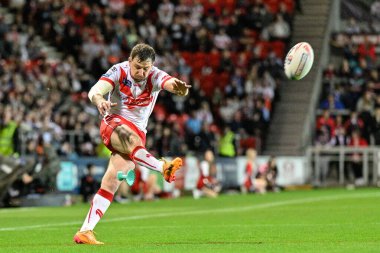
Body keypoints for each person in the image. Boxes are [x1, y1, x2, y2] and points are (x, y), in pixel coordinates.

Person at [73, 43, 191, 245]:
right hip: (113, 123)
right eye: (138, 66)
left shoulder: (154, 75)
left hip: (138, 133)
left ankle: (85, 231)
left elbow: (169, 82)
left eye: (146, 68)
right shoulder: (119, 71)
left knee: (111, 182)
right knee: (131, 140)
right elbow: (95, 90)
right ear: (130, 61)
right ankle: (162, 166)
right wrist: (100, 100)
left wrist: (178, 88)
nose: (142, 72)